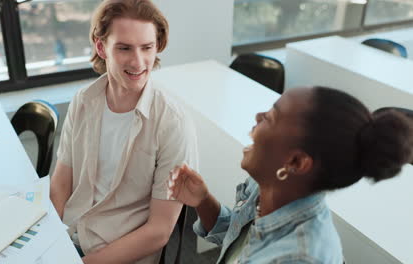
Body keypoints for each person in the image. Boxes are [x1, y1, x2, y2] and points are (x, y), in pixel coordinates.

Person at [167, 86, 413, 263]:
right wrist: (203, 200)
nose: (258, 117)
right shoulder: (265, 185)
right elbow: (238, 243)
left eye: (271, 118)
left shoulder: (300, 257)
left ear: (295, 162)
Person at [49, 0, 198, 263]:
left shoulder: (172, 122)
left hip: (118, 254)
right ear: (101, 47)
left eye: (147, 48)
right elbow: (61, 184)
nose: (138, 61)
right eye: (124, 48)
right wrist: (48, 244)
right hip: (70, 238)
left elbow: (159, 232)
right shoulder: (83, 101)